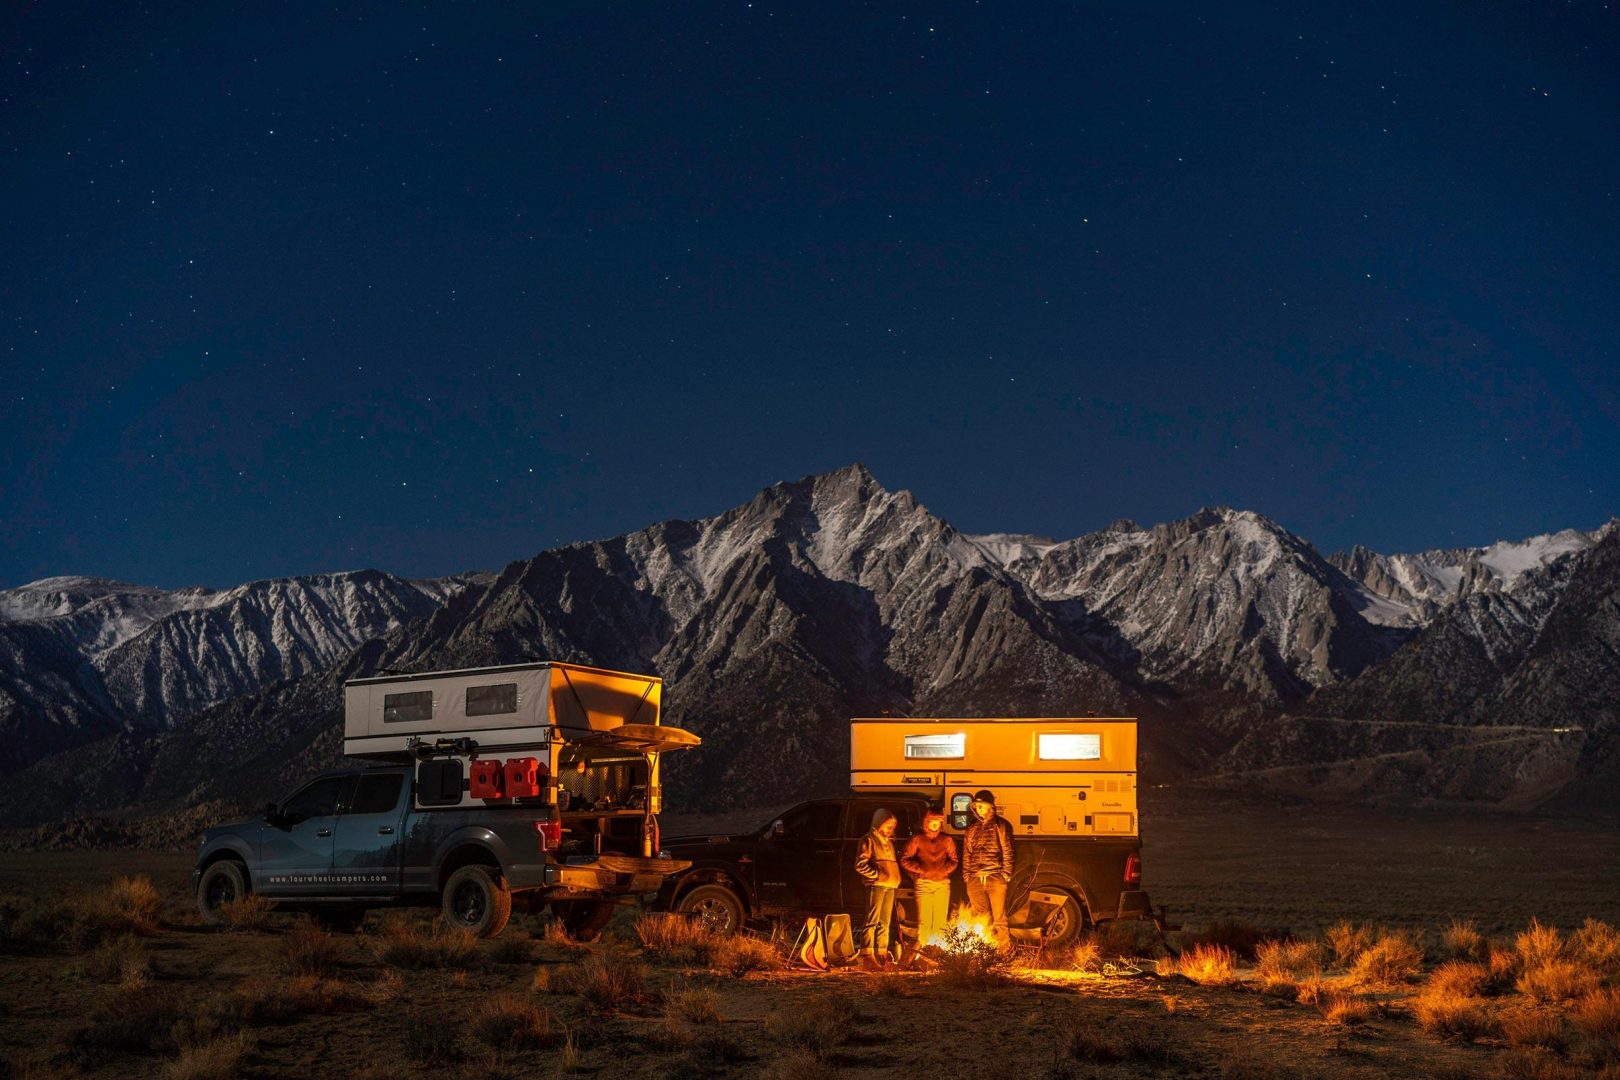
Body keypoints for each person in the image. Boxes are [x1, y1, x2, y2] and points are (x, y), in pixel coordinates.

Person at [900, 808, 957, 965]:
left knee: (939, 922)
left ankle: (937, 955)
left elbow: (954, 860)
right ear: (926, 822)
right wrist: (921, 870)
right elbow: (905, 859)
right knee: (924, 922)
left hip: (942, 885)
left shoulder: (946, 840)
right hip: (924, 884)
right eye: (932, 822)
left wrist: (944, 871)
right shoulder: (917, 839)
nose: (935, 825)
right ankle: (923, 954)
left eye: (938, 822)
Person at [962, 788, 1014, 949]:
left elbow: (1008, 850)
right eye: (976, 806)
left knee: (999, 918)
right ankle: (984, 950)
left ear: (990, 806)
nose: (979, 808)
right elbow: (967, 853)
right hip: (975, 879)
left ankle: (1004, 952)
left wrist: (1005, 874)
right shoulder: (972, 828)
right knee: (980, 918)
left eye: (982, 805)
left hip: (995, 877)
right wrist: (967, 876)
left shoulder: (1001, 825)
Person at [854, 807, 901, 969]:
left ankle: (882, 954)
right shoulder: (868, 840)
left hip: (890, 886)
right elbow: (860, 864)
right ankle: (867, 955)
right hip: (877, 885)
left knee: (885, 922)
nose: (890, 829)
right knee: (872, 920)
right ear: (878, 824)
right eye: (887, 826)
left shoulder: (889, 842)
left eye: (892, 827)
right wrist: (876, 875)